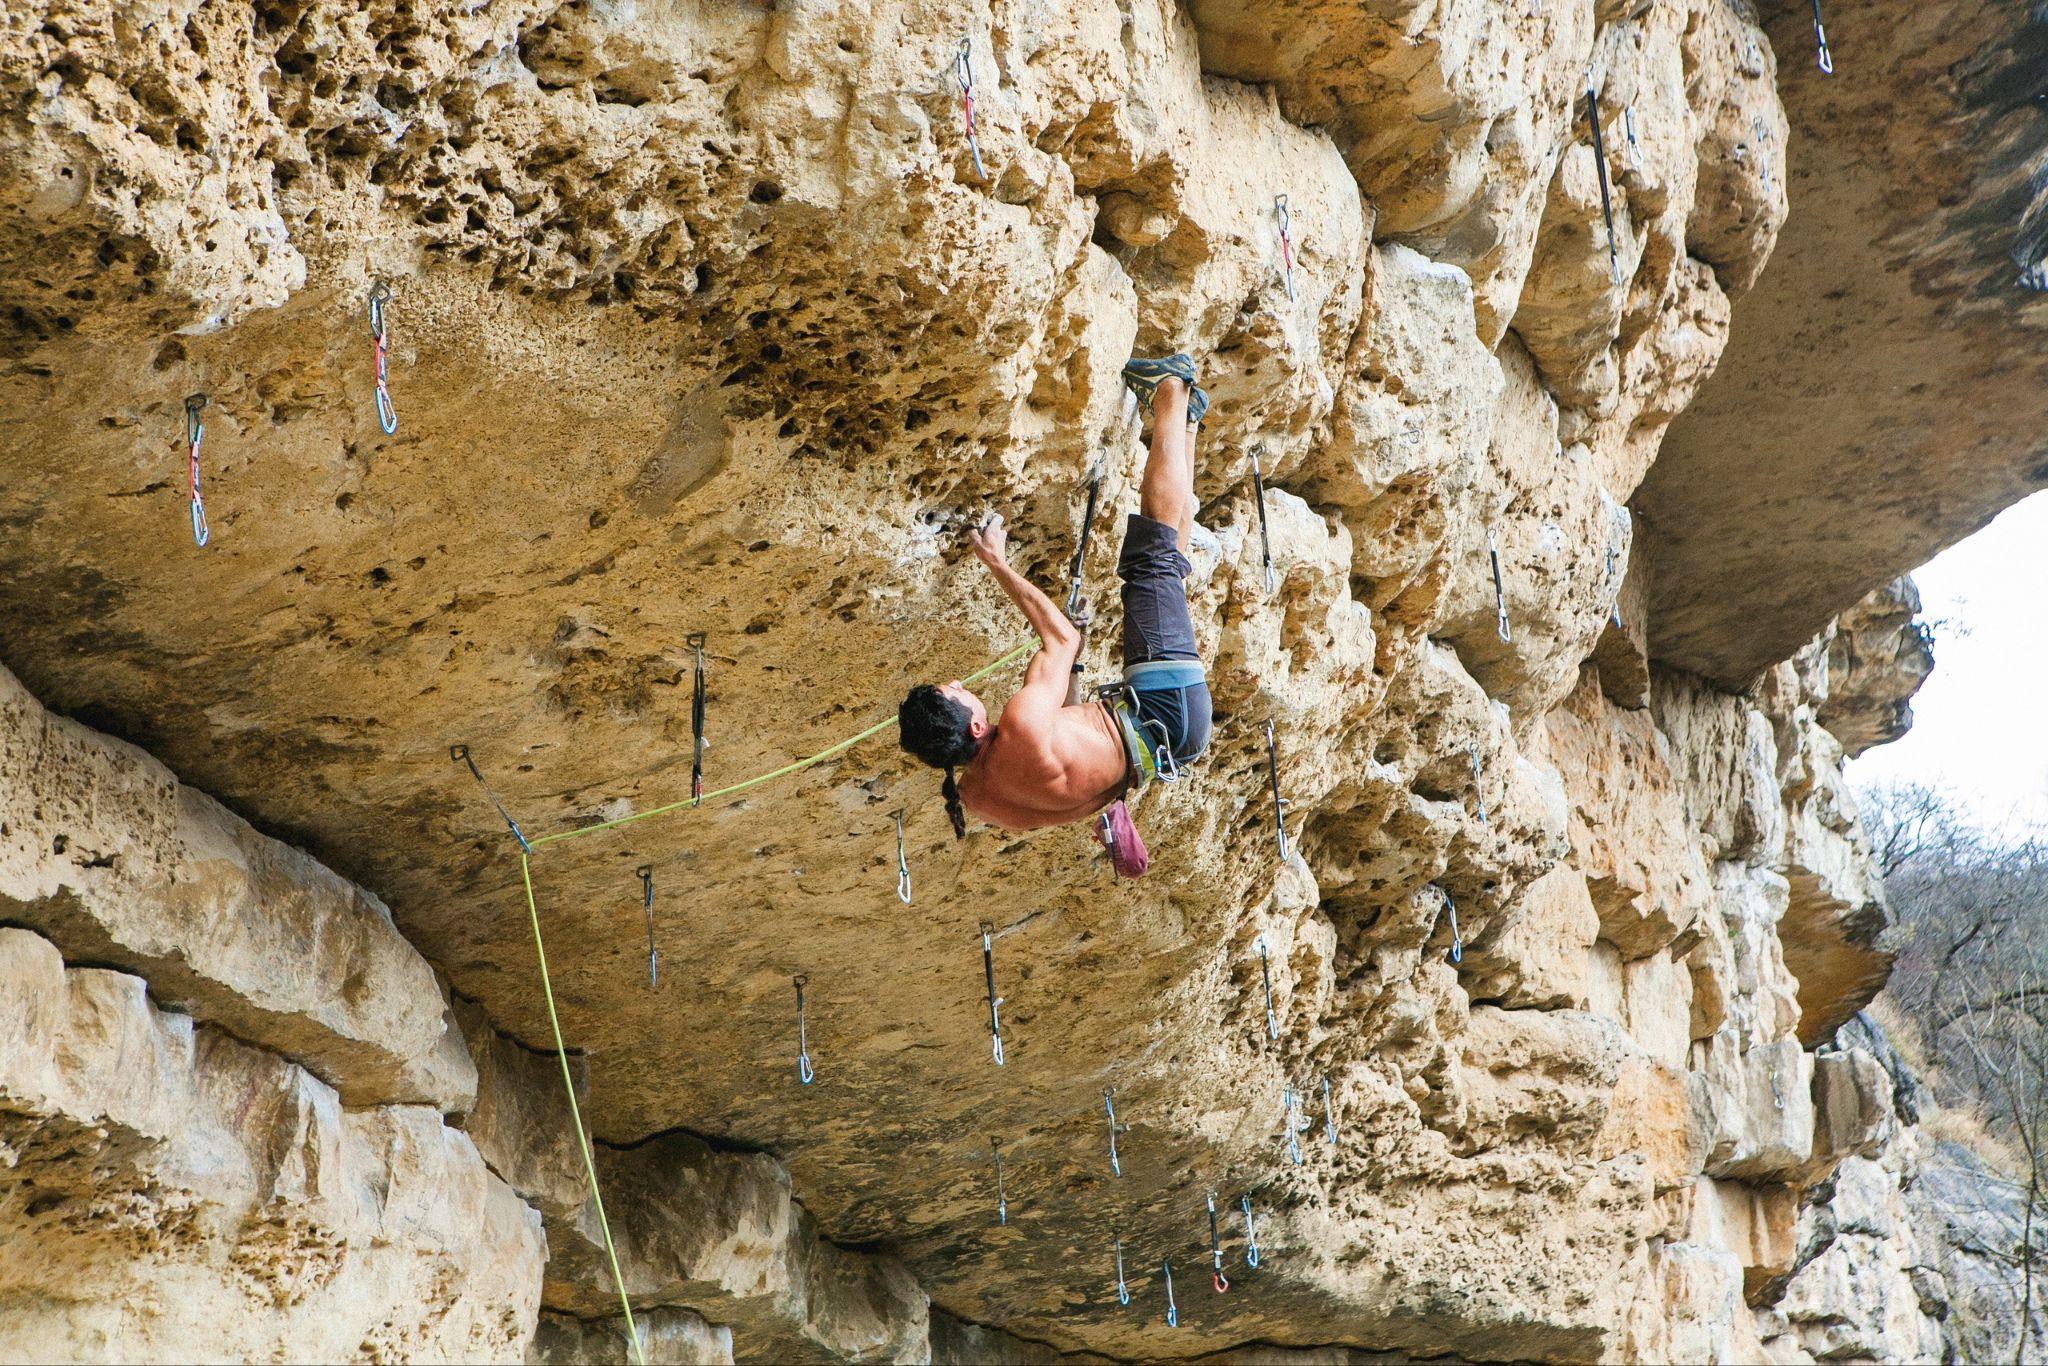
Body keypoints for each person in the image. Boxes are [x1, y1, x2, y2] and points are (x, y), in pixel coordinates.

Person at [898, 355, 1214, 855]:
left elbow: (1068, 749)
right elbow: (1058, 639)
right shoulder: (1020, 725)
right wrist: (997, 564)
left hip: (1169, 740)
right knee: (1151, 560)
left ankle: (1186, 421)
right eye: (954, 690)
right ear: (974, 725)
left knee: (1165, 567)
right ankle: (1171, 387)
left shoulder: (983, 801)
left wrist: (1075, 663)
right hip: (1161, 709)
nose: (960, 682)